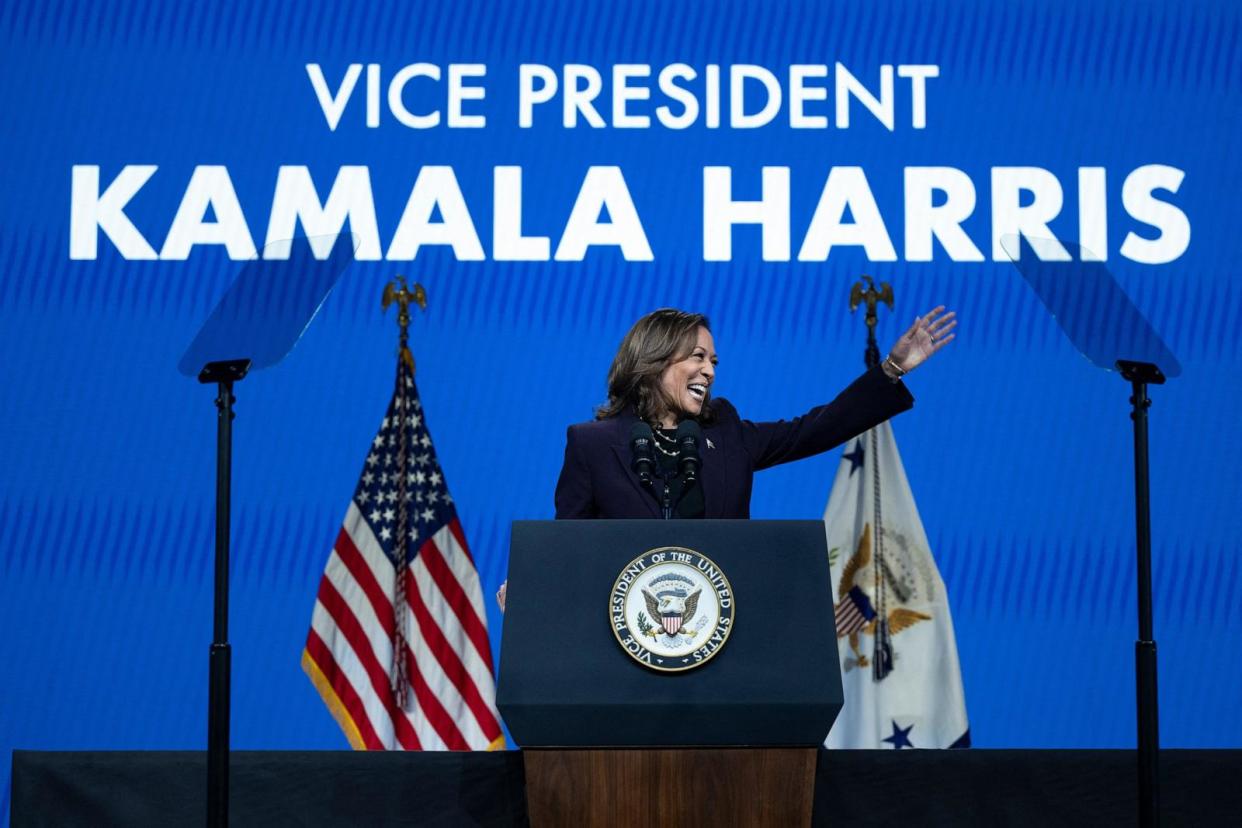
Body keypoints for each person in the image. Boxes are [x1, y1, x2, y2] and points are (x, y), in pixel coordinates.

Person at [496, 305, 955, 608]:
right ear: (654, 359)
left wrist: (890, 370)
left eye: (714, 361)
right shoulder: (592, 445)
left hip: (723, 639)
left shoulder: (726, 433)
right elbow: (568, 543)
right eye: (697, 356)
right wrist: (534, 587)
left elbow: (814, 430)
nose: (710, 370)